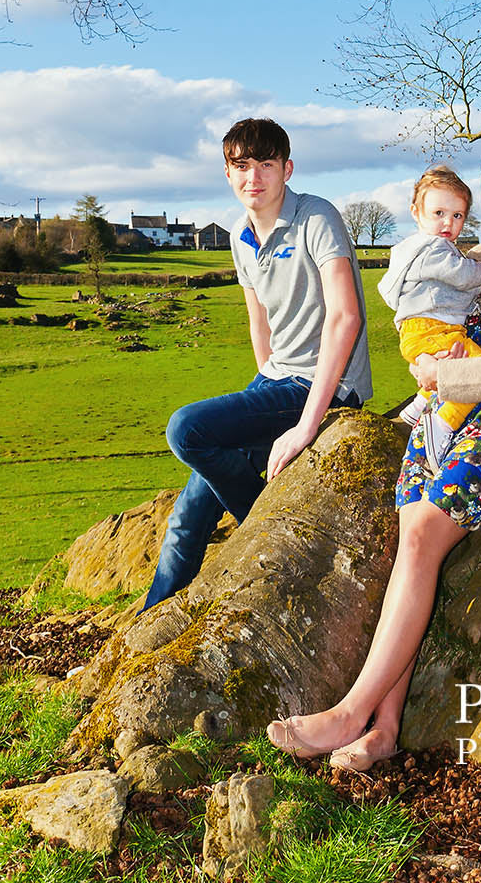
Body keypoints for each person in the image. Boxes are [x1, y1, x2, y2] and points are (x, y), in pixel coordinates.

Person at [267, 144, 481, 770]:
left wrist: (449, 379)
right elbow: (417, 315)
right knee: (409, 542)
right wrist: (420, 364)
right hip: (442, 418)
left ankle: (350, 712)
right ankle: (384, 731)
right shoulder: (472, 259)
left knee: (418, 540)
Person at [140, 117, 372, 610]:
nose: (254, 177)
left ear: (287, 169)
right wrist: (261, 389)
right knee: (188, 513)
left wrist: (308, 424)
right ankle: (150, 623)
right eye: (241, 166)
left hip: (325, 383)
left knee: (187, 430)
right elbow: (258, 324)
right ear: (227, 174)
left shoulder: (316, 217)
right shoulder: (239, 235)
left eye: (266, 164)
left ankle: (261, 523)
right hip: (275, 380)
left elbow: (345, 318)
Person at [379, 165, 481, 471]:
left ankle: (418, 406)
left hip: (419, 330)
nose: (449, 223)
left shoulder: (414, 249)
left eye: (457, 215)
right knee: (476, 368)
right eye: (439, 213)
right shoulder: (433, 248)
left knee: (454, 364)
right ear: (416, 213)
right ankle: (441, 425)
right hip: (431, 327)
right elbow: (459, 274)